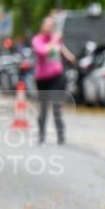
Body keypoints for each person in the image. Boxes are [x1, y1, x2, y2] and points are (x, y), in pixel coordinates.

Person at [31, 12, 75, 144]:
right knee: (43, 108)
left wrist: (71, 57)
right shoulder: (37, 40)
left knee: (56, 107)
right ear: (42, 26)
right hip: (43, 79)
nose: (49, 27)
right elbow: (43, 52)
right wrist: (54, 40)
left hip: (57, 77)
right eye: (47, 24)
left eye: (52, 25)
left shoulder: (57, 40)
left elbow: (65, 52)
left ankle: (61, 136)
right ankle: (41, 135)